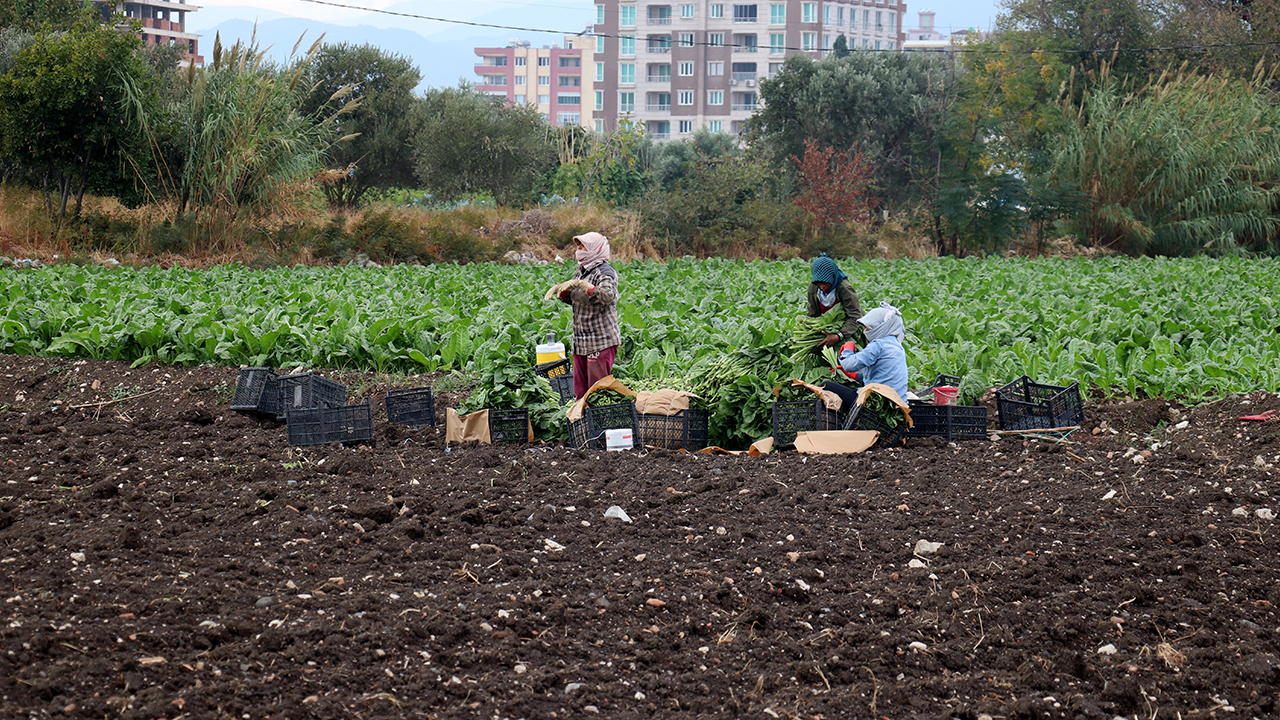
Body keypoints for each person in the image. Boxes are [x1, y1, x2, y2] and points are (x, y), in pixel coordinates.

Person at [557, 232, 621, 400]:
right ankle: (583, 422)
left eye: (582, 246)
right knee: (580, 392)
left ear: (594, 248)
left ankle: (599, 424)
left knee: (597, 392)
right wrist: (564, 294)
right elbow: (577, 299)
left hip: (600, 341)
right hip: (581, 341)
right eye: (578, 246)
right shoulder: (581, 270)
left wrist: (590, 288)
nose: (579, 249)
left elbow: (607, 296)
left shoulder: (605, 272)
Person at [821, 302, 908, 410]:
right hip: (896, 402)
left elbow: (849, 365)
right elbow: (884, 375)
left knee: (826, 386)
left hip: (876, 401)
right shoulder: (897, 346)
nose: (865, 331)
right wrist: (856, 376)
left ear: (881, 327)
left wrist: (847, 350)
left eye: (868, 327)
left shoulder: (878, 345)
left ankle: (840, 424)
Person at [807, 253, 863, 348]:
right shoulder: (813, 288)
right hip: (825, 331)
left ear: (833, 277)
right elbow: (812, 315)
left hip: (850, 332)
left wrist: (838, 336)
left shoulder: (844, 288)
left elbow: (855, 317)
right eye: (819, 282)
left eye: (826, 282)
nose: (822, 286)